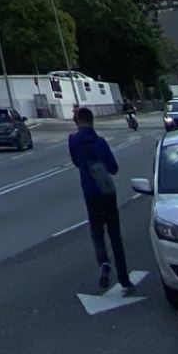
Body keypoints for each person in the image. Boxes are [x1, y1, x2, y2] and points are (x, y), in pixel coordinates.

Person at [68, 105, 133, 295]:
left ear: (78, 121)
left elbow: (76, 162)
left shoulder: (74, 140)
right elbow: (113, 168)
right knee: (115, 234)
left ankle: (104, 263)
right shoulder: (101, 142)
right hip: (107, 192)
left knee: (97, 232)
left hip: (90, 192)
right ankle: (124, 278)